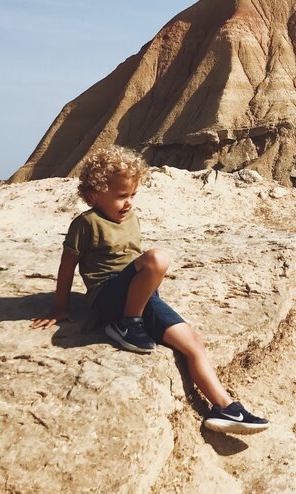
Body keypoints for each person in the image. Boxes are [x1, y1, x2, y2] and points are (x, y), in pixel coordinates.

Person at [30, 145, 268, 435]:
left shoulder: (132, 219)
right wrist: (60, 308)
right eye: (121, 196)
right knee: (157, 259)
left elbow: (134, 262)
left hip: (138, 297)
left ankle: (225, 407)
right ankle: (126, 324)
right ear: (93, 195)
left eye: (132, 195)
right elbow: (67, 267)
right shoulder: (86, 224)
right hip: (107, 298)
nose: (128, 203)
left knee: (193, 342)